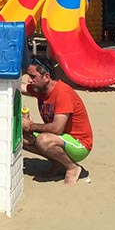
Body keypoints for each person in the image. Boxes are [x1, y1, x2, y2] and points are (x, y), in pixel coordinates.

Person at [21, 56, 93, 186]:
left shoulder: (62, 93)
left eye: (33, 76)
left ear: (46, 77)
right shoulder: (40, 88)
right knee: (21, 136)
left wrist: (31, 126)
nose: (29, 80)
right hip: (61, 138)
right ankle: (57, 162)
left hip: (79, 143)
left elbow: (56, 128)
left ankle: (72, 167)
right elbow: (20, 87)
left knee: (43, 140)